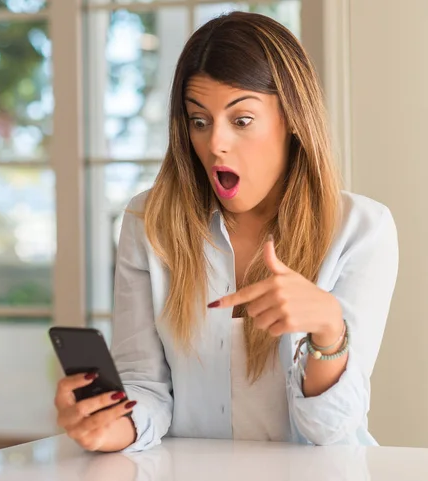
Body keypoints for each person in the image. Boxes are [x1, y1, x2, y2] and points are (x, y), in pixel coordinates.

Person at [53, 11, 399, 453]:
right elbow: (146, 387)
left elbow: (329, 430)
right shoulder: (148, 223)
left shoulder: (361, 229)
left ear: (291, 117)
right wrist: (110, 426)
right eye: (199, 120)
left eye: (241, 120)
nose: (215, 143)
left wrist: (328, 330)